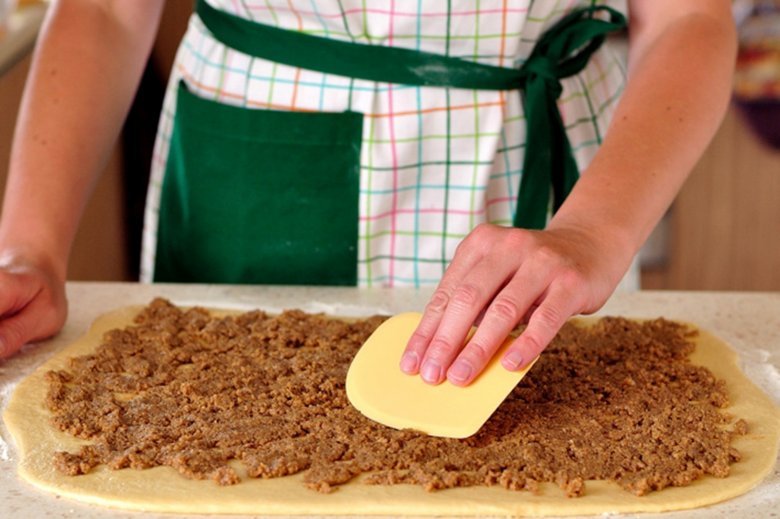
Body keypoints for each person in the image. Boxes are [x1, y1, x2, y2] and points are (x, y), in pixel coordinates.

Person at [0, 1, 735, 389]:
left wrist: (593, 231)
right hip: (260, 160)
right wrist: (29, 247)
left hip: (545, 183)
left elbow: (688, 18)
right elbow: (101, 7)